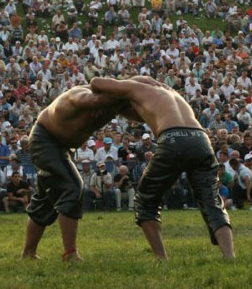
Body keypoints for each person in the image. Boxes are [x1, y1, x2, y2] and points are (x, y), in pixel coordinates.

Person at [90, 76, 234, 260]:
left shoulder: (135, 87)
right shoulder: (171, 94)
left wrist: (118, 92)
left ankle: (161, 257)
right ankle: (229, 255)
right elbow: (140, 114)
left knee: (146, 199)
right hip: (200, 139)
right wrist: (115, 108)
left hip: (173, 138)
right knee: (211, 199)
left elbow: (96, 83)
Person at [21, 85, 128, 262]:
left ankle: (28, 253)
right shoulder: (79, 94)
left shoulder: (107, 106)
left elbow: (130, 102)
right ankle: (70, 253)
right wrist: (122, 95)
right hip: (45, 141)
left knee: (45, 199)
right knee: (72, 187)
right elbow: (94, 99)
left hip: (60, 146)